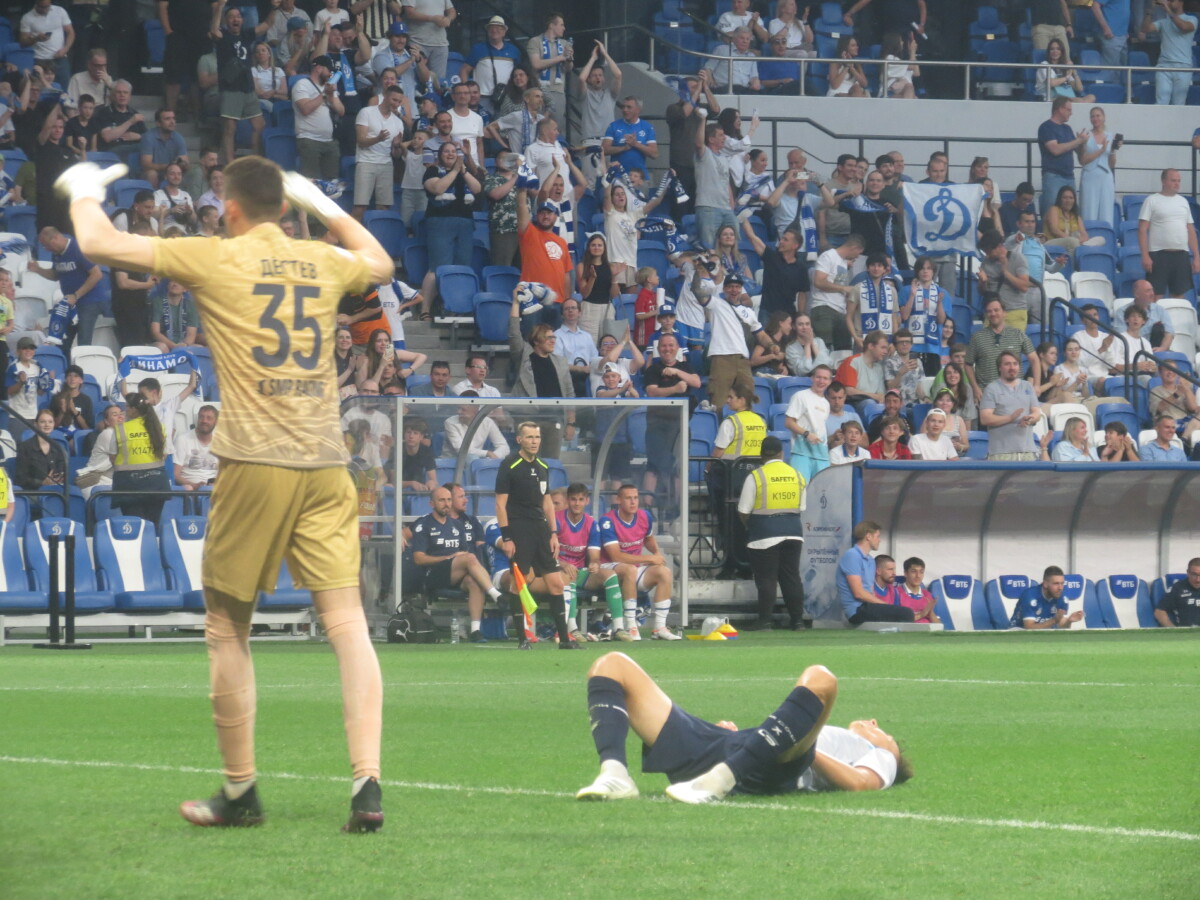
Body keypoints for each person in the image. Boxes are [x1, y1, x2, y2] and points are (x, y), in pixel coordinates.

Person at [60, 152, 393, 829]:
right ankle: (367, 784)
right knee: (347, 624)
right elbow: (381, 263)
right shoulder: (321, 260)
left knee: (226, 625)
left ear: (231, 210)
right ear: (285, 207)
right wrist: (325, 206)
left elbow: (97, 243)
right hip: (326, 461)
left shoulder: (216, 254)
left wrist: (84, 190)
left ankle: (241, 793)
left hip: (255, 460)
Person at [577, 647, 911, 802]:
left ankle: (720, 779)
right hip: (734, 747)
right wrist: (750, 740)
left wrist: (795, 742)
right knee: (611, 664)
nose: (874, 723)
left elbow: (860, 783)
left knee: (822, 678)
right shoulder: (812, 731)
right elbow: (774, 735)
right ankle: (614, 773)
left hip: (776, 764)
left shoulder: (882, 755)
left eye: (885, 733)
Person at [494, 421, 577, 650]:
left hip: (540, 529)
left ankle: (565, 640)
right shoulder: (509, 465)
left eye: (537, 437)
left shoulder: (542, 466)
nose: (534, 441)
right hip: (519, 529)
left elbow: (547, 501)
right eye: (529, 437)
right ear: (519, 439)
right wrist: (507, 537)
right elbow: (500, 504)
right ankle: (522, 639)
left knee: (556, 584)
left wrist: (553, 533)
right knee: (519, 583)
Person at [411, 486, 505, 643]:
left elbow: (462, 553)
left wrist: (456, 558)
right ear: (431, 503)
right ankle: (496, 594)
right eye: (441, 500)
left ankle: (475, 631)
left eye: (449, 500)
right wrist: (447, 558)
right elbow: (418, 559)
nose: (446, 504)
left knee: (473, 581)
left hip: (455, 573)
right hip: (433, 574)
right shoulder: (424, 524)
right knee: (469, 558)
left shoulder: (457, 525)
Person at [736, 435, 807, 631]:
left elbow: (743, 510)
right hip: (793, 531)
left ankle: (765, 621)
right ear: (781, 453)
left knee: (767, 578)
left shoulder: (756, 476)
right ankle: (797, 621)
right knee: (792, 577)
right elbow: (802, 507)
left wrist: (751, 525)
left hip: (764, 533)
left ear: (761, 455)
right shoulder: (797, 475)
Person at [600, 484, 680, 641]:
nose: (633, 502)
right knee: (629, 569)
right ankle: (631, 626)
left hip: (632, 568)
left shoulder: (645, 516)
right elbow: (615, 556)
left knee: (664, 572)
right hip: (609, 569)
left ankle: (660, 627)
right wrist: (650, 558)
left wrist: (656, 553)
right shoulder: (607, 521)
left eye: (635, 498)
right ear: (618, 500)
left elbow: (648, 539)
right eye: (628, 498)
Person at [555, 482, 634, 642]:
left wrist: (594, 564)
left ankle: (618, 628)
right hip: (558, 570)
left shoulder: (591, 524)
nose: (577, 503)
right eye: (573, 499)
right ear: (568, 500)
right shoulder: (556, 520)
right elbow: (547, 553)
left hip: (580, 572)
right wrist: (564, 565)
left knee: (610, 575)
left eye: (580, 499)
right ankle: (572, 629)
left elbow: (594, 555)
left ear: (587, 501)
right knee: (569, 576)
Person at [508, 292, 575, 459]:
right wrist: (516, 302)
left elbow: (569, 393)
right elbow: (514, 333)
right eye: (548, 338)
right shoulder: (524, 356)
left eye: (554, 337)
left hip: (554, 420)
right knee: (529, 462)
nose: (553, 341)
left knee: (551, 464)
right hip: (528, 419)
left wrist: (571, 423)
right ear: (537, 340)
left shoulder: (560, 362)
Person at [210, 4, 271, 165]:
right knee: (230, 128)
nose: (235, 19)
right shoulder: (223, 35)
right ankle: (230, 163)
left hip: (248, 87)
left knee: (260, 125)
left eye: (238, 16)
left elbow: (266, 25)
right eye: (231, 17)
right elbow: (214, 30)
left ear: (242, 20)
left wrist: (274, 8)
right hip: (230, 88)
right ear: (226, 21)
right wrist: (219, 7)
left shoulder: (246, 34)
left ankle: (255, 159)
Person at [28, 226, 104, 347]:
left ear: (55, 238)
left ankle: (83, 358)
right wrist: (38, 269)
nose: (46, 249)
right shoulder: (56, 254)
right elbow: (55, 275)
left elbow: (97, 274)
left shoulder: (78, 249)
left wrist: (76, 295)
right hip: (69, 303)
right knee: (62, 340)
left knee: (84, 340)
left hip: (88, 302)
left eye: (46, 245)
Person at [837, 520, 916, 626]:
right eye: (877, 536)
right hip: (856, 610)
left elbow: (870, 591)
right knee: (907, 613)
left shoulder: (870, 560)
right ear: (868, 536)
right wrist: (885, 606)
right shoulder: (852, 556)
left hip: (867, 606)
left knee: (904, 612)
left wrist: (884, 608)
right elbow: (858, 593)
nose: (879, 540)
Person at [1138, 168, 1200, 299]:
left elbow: (1190, 229)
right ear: (1163, 181)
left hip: (1181, 255)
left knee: (1179, 297)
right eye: (1173, 180)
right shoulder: (1152, 200)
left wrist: (1196, 256)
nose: (1177, 184)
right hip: (1158, 255)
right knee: (1155, 296)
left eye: (1179, 181)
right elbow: (1142, 229)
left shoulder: (1183, 202)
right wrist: (1145, 255)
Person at [966, 297, 1040, 399]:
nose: (993, 314)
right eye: (989, 311)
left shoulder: (1018, 334)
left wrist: (1037, 385)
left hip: (1015, 394)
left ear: (1004, 313)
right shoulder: (977, 337)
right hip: (987, 395)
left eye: (996, 310)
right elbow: (968, 364)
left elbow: (1034, 359)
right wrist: (975, 388)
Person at [352, 85, 404, 220]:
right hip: (366, 162)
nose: (396, 104)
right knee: (360, 206)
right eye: (394, 100)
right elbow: (361, 141)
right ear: (385, 96)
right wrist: (378, 139)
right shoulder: (366, 112)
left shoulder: (398, 122)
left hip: (386, 164)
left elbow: (396, 155)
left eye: (399, 102)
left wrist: (397, 146)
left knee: (384, 206)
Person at [980, 351, 1041, 461]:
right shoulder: (992, 389)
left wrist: (1029, 419)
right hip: (1001, 453)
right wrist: (1010, 418)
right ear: (999, 367)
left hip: (1027, 452)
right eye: (1007, 364)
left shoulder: (1027, 386)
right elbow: (985, 418)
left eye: (1015, 364)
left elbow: (1037, 413)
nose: (1012, 367)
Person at [809, 235, 863, 351]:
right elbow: (818, 281)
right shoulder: (828, 256)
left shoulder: (843, 262)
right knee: (824, 349)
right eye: (858, 253)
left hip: (840, 311)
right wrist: (844, 288)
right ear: (854, 248)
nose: (857, 257)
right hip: (824, 307)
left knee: (844, 350)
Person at [1037, 97, 1089, 215]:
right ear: (1060, 109)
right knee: (1052, 212)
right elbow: (1055, 149)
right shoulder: (1046, 127)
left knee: (1070, 213)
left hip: (1069, 176)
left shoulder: (1067, 129)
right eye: (1069, 109)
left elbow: (1081, 157)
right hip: (1053, 176)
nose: (1071, 113)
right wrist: (1078, 141)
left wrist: (1082, 143)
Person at [461, 16, 522, 115]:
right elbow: (464, 70)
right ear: (487, 31)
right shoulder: (477, 49)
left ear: (504, 32)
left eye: (498, 28)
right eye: (491, 28)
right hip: (482, 97)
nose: (494, 30)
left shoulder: (514, 50)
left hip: (506, 97)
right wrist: (468, 92)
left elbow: (518, 73)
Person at [1078, 106, 1118, 229]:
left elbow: (1112, 164)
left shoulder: (1111, 136)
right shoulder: (1086, 135)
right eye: (1092, 116)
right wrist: (1101, 150)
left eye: (1098, 115)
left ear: (1104, 117)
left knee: (1106, 211)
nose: (1095, 118)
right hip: (1089, 176)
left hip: (1105, 177)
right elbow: (1083, 160)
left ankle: (1105, 236)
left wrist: (1113, 149)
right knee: (1088, 211)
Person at [1009, 566, 1083, 629]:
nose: (1060, 588)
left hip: (1045, 632)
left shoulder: (1062, 598)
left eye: (1062, 583)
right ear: (1045, 584)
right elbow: (1029, 628)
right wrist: (1054, 620)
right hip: (1018, 631)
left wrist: (1069, 621)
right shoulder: (1030, 596)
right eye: (1056, 583)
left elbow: (1061, 626)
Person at [443, 391, 508, 461]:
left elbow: (503, 446)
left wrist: (493, 457)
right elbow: (461, 449)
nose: (458, 412)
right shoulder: (450, 422)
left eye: (463, 409)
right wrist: (487, 454)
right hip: (451, 462)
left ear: (475, 409)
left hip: (477, 462)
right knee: (472, 458)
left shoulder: (487, 422)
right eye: (458, 408)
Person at [401, 0, 455, 83]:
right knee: (414, 79)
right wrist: (432, 18)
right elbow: (409, 13)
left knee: (438, 82)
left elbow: (452, 10)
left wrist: (448, 19)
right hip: (417, 42)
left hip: (440, 43)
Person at [15, 408, 66, 495]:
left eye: (50, 422)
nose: (47, 425)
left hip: (55, 491)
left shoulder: (58, 448)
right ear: (36, 424)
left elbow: (62, 472)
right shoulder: (25, 447)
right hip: (33, 492)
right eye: (43, 422)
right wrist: (42, 483)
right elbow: (20, 479)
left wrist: (58, 479)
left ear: (54, 424)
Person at [835, 329, 890, 406]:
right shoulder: (853, 362)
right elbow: (849, 391)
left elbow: (881, 394)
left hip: (873, 404)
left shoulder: (879, 368)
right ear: (871, 346)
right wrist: (874, 397)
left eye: (886, 348)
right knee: (870, 403)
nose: (886, 352)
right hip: (852, 403)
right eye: (883, 347)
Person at [174, 404, 219, 489]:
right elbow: (175, 474)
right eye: (201, 417)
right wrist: (194, 485)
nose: (204, 421)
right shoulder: (182, 439)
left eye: (209, 418)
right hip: (190, 488)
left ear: (216, 422)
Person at [1036, 38, 1095, 103]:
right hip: (1050, 98)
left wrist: (1073, 70)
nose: (1055, 51)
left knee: (1091, 97)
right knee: (1078, 101)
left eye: (1058, 49)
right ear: (1049, 52)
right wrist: (1067, 77)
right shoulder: (1044, 64)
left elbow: (1079, 88)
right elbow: (1052, 83)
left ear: (1062, 52)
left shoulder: (1064, 67)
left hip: (1066, 97)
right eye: (1052, 49)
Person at [1153, 558, 1200, 627]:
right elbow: (1159, 612)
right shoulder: (1178, 588)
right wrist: (1173, 630)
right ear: (1188, 573)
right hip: (1186, 631)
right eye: (1194, 574)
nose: (1198, 580)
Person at [895, 558, 940, 623]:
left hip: (927, 629)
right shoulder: (896, 593)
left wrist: (930, 612)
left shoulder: (927, 595)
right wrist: (922, 614)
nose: (918, 576)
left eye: (921, 572)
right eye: (914, 571)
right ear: (905, 573)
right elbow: (895, 621)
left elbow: (938, 624)